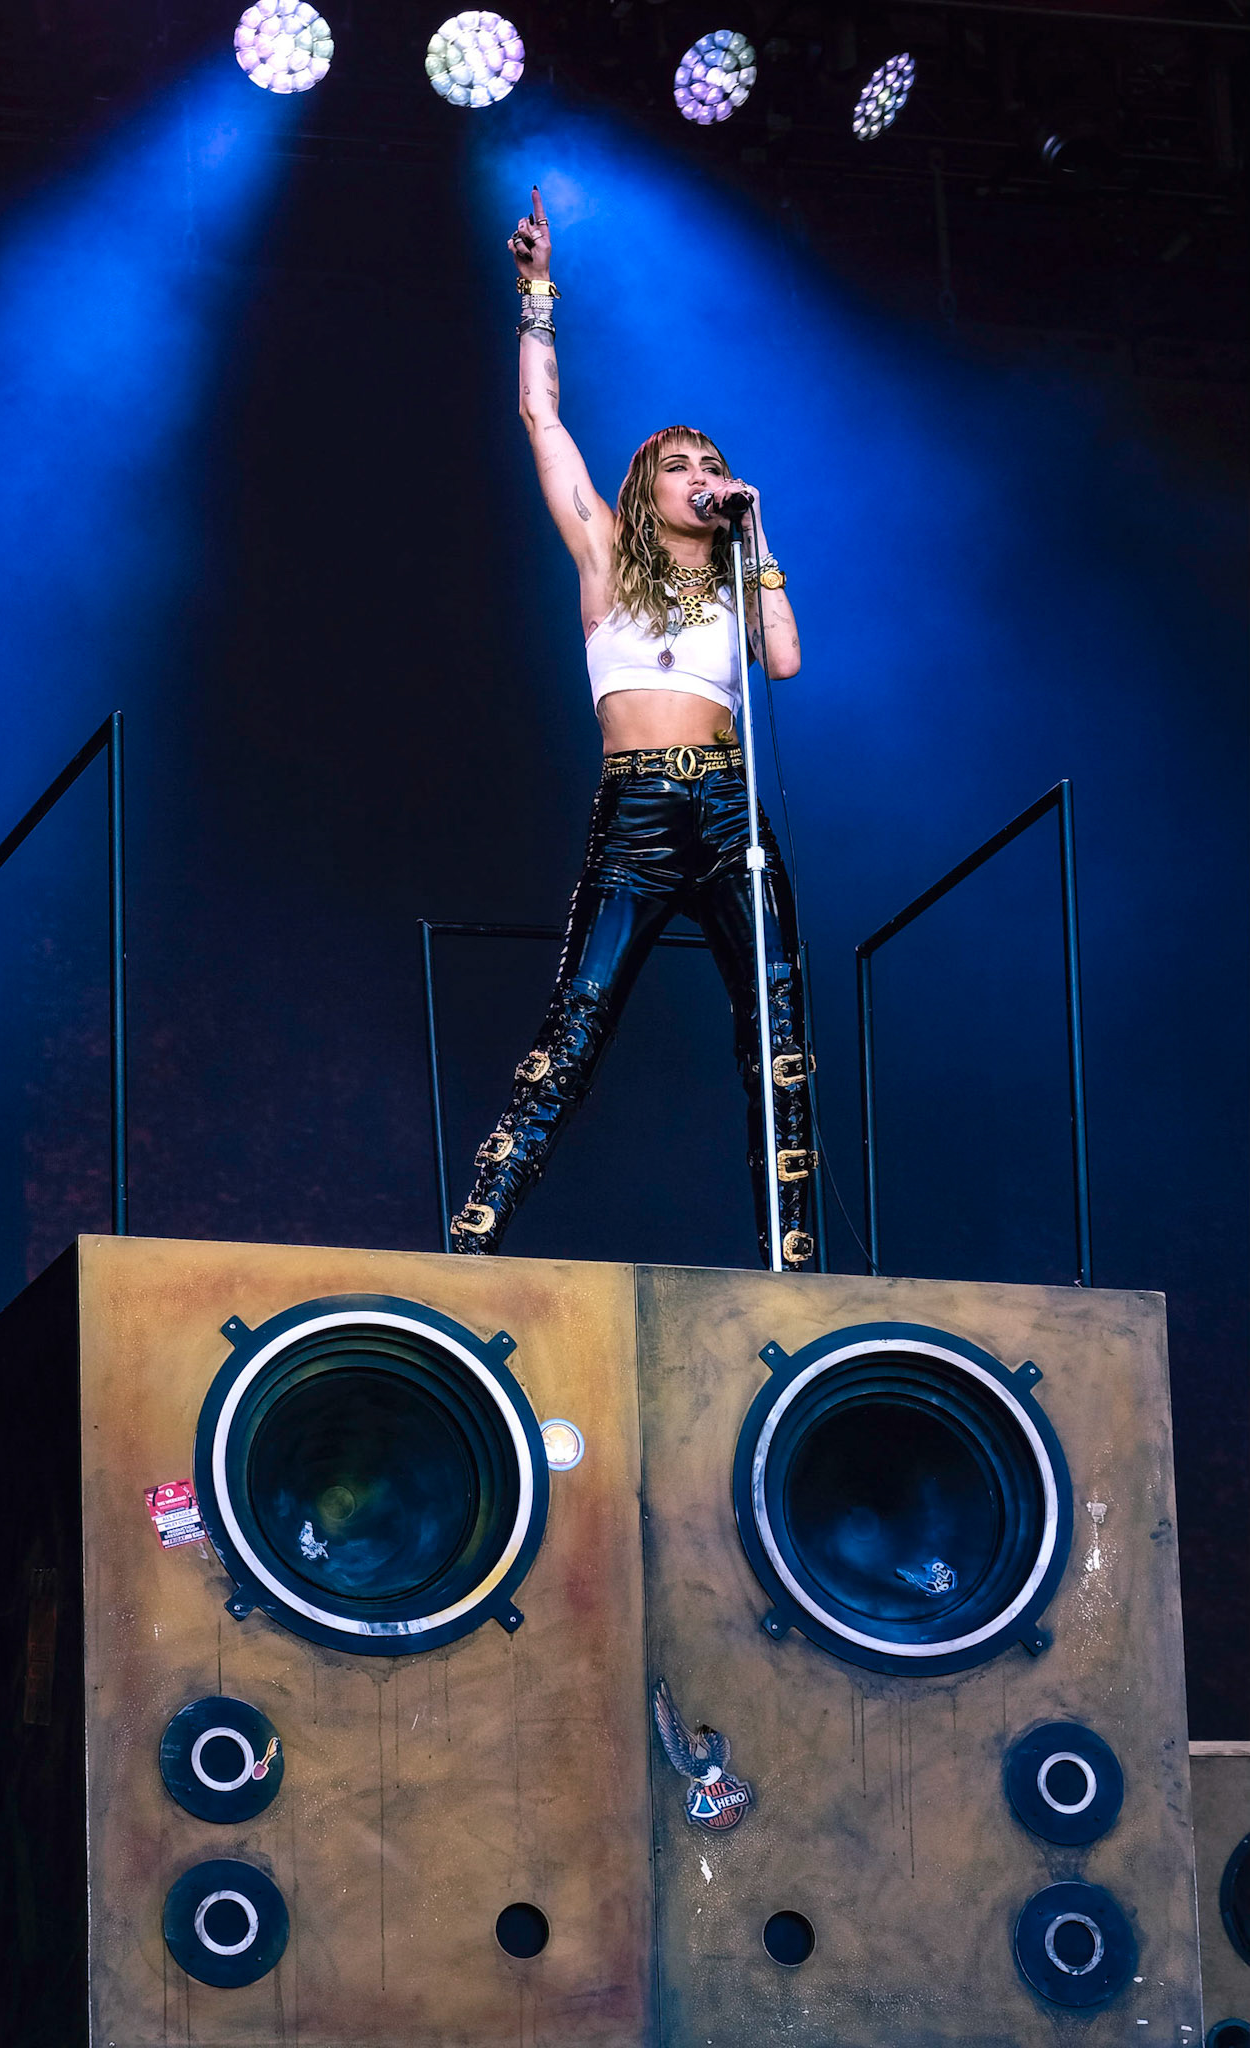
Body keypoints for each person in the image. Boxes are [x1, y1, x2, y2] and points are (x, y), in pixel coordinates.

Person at [449, 186, 815, 1267]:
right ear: (645, 486)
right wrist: (535, 296)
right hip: (643, 805)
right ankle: (477, 1231)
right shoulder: (607, 560)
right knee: (581, 1018)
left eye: (712, 464)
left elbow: (783, 659)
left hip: (729, 801)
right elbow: (541, 419)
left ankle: (793, 1263)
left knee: (778, 1033)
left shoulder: (740, 572)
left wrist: (760, 533)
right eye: (681, 465)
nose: (701, 477)